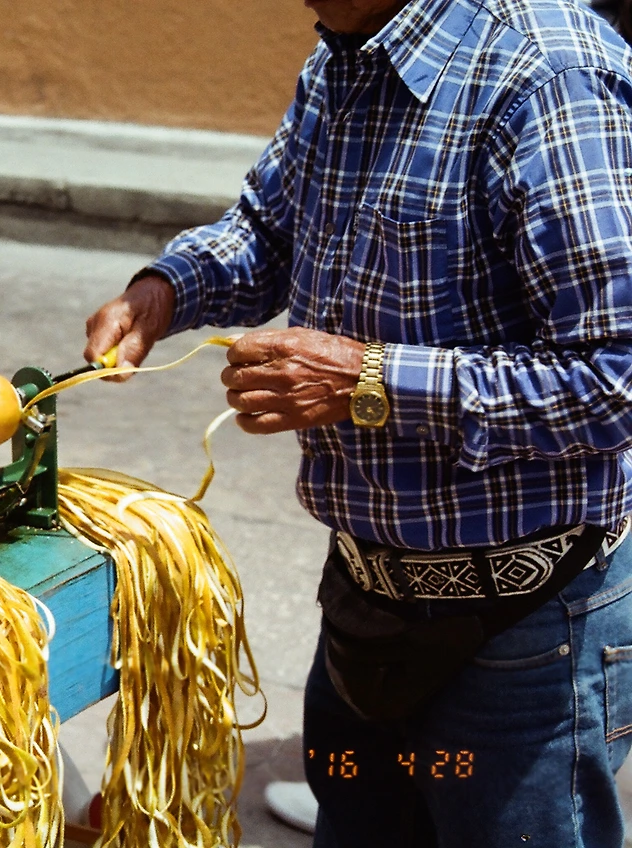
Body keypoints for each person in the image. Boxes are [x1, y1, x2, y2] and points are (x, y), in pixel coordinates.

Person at [83, 0, 632, 844]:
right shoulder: (344, 55)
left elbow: (614, 376)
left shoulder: (548, 77)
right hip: (366, 607)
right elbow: (268, 229)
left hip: (527, 630)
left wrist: (367, 380)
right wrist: (167, 288)